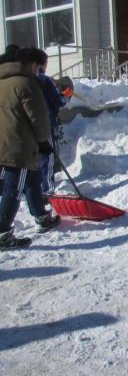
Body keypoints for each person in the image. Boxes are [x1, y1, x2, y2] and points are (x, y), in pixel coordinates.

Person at [0, 48, 61, 249]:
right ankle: (3, 233)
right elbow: (39, 118)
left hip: (5, 142)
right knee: (14, 188)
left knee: (32, 179)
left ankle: (41, 216)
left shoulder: (3, 81)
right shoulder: (26, 82)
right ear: (33, 64)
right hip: (20, 145)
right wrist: (44, 141)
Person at [35, 49, 72, 197]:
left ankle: (35, 189)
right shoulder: (43, 79)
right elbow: (58, 102)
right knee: (47, 158)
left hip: (28, 127)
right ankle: (48, 190)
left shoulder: (25, 79)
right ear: (41, 63)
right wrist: (66, 96)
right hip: (45, 123)